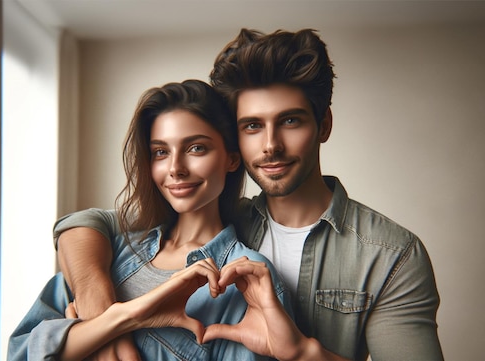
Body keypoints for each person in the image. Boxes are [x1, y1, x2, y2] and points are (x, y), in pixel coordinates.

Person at [54, 29, 444, 361]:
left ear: (323, 124)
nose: (271, 145)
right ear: (234, 141)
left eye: (290, 121)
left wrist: (303, 353)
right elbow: (88, 222)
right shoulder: (217, 217)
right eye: (253, 125)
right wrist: (101, 311)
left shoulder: (390, 254)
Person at [7, 80, 293, 361]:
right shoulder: (113, 250)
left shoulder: (244, 279)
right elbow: (19, 352)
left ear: (231, 159)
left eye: (196, 148)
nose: (175, 169)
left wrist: (83, 337)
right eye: (161, 152)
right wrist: (124, 318)